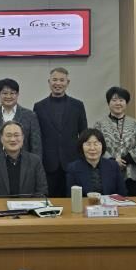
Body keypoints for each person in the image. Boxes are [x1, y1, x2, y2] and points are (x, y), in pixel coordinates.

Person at [33, 67, 87, 197]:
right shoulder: (39, 106)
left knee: (72, 200)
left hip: (72, 163)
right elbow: (36, 137)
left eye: (62, 80)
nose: (58, 83)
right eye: (55, 80)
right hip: (47, 164)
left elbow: (84, 135)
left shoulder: (78, 105)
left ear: (68, 82)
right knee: (49, 201)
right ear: (49, 82)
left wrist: (82, 160)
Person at [94, 87, 136, 196]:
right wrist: (113, 161)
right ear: (108, 103)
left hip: (131, 172)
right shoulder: (99, 124)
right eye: (114, 100)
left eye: (121, 100)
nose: (118, 103)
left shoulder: (135, 123)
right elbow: (96, 145)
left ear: (126, 103)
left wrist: (126, 159)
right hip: (107, 170)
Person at [0, 78, 42, 166]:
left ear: (17, 94)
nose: (8, 96)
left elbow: (36, 145)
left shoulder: (30, 116)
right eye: (5, 93)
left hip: (24, 165)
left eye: (12, 93)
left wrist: (36, 166)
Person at [0, 121, 48, 198]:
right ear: (1, 139)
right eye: (8, 135)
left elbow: (42, 191)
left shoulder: (35, 161)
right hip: (1, 205)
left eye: (16, 135)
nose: (13, 139)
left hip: (28, 205)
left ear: (23, 138)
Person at [66, 128, 126, 196]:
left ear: (102, 146)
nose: (92, 148)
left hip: (110, 203)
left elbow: (122, 194)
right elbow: (71, 197)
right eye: (88, 144)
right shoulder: (73, 168)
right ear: (81, 147)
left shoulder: (113, 166)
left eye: (96, 144)